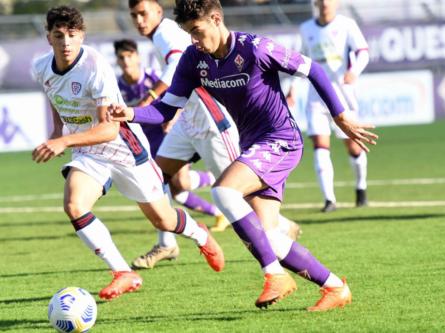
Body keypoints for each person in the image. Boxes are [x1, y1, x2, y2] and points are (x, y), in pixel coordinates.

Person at [109, 0, 377, 311]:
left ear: (216, 18)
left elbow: (312, 69)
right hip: (253, 145)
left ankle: (274, 275)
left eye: (197, 31)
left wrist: (341, 116)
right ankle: (334, 287)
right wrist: (131, 113)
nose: (193, 41)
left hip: (281, 140)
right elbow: (166, 109)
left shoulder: (256, 48)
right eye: (188, 33)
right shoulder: (194, 59)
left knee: (224, 191)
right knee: (269, 239)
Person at [31, 5, 224, 301]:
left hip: (123, 148)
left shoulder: (95, 67)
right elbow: (54, 95)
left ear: (82, 36)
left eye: (72, 35)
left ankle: (199, 233)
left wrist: (64, 142)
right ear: (49, 38)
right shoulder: (41, 67)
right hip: (88, 152)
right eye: (59, 35)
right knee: (74, 204)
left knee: (163, 221)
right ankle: (123, 272)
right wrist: (58, 130)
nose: (66, 42)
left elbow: (109, 129)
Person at [126, 0, 301, 269]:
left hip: (210, 120)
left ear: (158, 11)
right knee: (160, 174)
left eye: (143, 13)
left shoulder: (165, 32)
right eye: (134, 15)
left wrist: (150, 97)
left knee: (236, 194)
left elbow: (175, 67)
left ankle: (283, 228)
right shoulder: (173, 33)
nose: (139, 20)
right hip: (187, 119)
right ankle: (167, 243)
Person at [114, 38, 228, 268]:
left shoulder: (156, 77)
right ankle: (212, 213)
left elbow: (180, 96)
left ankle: (219, 186)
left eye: (129, 56)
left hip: (171, 133)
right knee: (171, 188)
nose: (126, 61)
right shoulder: (118, 86)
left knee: (180, 183)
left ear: (137, 56)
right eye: (121, 58)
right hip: (146, 142)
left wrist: (173, 117)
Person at [290, 0, 370, 212]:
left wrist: (355, 71)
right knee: (320, 146)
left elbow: (363, 51)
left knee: (353, 146)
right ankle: (329, 200)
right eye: (321, 0)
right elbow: (301, 62)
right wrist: (292, 88)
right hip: (316, 99)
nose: (325, 3)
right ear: (316, 3)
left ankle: (361, 187)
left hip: (342, 96)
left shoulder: (347, 25)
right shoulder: (306, 28)